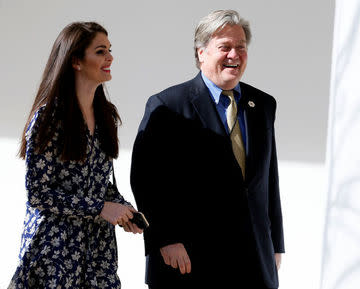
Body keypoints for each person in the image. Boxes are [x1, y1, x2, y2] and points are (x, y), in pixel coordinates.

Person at [130, 9, 284, 289]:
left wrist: (275, 244)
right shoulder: (168, 106)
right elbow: (145, 179)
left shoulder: (262, 105)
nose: (234, 55)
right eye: (224, 47)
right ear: (201, 53)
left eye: (241, 47)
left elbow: (267, 180)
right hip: (189, 262)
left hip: (253, 262)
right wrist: (165, 239)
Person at [8, 22, 142, 289]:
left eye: (109, 50)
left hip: (97, 252)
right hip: (55, 251)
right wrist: (101, 208)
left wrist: (124, 209)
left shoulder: (107, 116)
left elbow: (98, 184)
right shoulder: (49, 118)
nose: (110, 57)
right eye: (100, 51)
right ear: (76, 62)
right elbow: (39, 193)